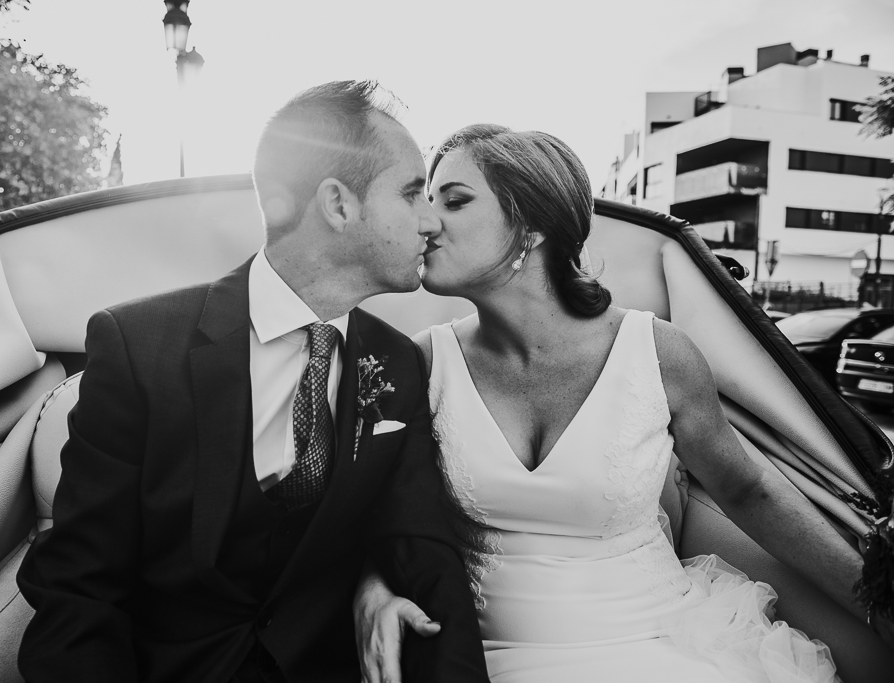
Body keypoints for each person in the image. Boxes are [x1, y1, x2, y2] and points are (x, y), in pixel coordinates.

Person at [354, 123, 894, 682]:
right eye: (425, 200)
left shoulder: (658, 354)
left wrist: (876, 607)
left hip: (664, 644)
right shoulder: (422, 361)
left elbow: (748, 490)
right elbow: (374, 511)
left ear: (533, 225)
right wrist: (371, 590)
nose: (426, 220)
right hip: (480, 656)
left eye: (456, 201)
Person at [16, 82, 489, 683]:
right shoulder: (138, 346)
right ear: (338, 205)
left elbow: (422, 551)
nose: (430, 221)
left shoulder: (396, 363)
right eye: (411, 193)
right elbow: (80, 587)